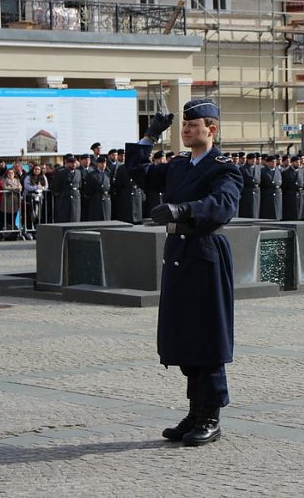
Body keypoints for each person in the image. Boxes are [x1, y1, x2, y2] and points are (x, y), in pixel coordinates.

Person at [125, 98, 242, 447]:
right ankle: (195, 412)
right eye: (184, 126)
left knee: (207, 336)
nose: (186, 130)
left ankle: (211, 416)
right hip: (179, 252)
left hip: (206, 252)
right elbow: (138, 173)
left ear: (212, 129)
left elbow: (223, 205)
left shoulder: (224, 168)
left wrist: (182, 209)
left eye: (193, 125)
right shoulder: (178, 165)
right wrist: (148, 137)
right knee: (185, 336)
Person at [52, 155, 82, 223]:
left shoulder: (78, 172)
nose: (73, 164)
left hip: (75, 197)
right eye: (71, 163)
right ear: (67, 163)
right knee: (65, 217)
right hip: (65, 197)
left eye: (74, 162)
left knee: (75, 216)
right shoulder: (61, 172)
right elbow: (57, 186)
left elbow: (79, 185)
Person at [85, 155, 113, 221]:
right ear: (98, 163)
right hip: (97, 200)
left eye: (105, 163)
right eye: (101, 163)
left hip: (106, 199)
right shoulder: (92, 175)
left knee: (107, 218)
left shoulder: (108, 174)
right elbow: (88, 190)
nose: (103, 165)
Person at [23, 164, 49, 233]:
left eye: (38, 169)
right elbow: (26, 186)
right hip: (30, 197)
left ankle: (37, 230)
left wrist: (42, 188)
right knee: (31, 214)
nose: (37, 170)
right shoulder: (28, 177)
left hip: (39, 198)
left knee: (39, 214)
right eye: (35, 169)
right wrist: (36, 187)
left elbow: (46, 186)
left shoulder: (43, 177)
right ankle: (29, 230)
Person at [281, 155, 304, 221]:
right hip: (290, 195)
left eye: (299, 162)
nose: (298, 164)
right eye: (297, 162)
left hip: (300, 195)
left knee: (300, 213)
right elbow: (284, 186)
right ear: (292, 163)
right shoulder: (286, 173)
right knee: (292, 214)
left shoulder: (301, 171)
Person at [258, 155, 282, 220]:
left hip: (277, 194)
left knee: (277, 211)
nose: (274, 163)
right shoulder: (263, 171)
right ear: (267, 163)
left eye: (275, 162)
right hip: (267, 194)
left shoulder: (278, 170)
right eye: (272, 162)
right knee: (268, 212)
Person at [0, 167, 22, 235]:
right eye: (9, 173)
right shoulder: (4, 180)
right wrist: (15, 188)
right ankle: (6, 233)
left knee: (13, 217)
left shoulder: (17, 180)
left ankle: (13, 233)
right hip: (7, 201)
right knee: (6, 218)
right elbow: (5, 188)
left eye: (12, 173)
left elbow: (20, 188)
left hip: (15, 201)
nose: (10, 174)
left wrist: (12, 187)